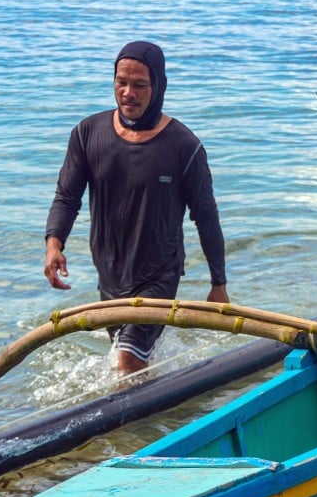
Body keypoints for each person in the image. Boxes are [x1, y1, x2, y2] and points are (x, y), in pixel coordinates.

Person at [44, 41, 229, 374]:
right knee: (129, 359)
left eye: (140, 84)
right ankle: (154, 409)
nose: (128, 92)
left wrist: (218, 284)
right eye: (121, 82)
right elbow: (66, 197)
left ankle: (124, 426)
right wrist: (54, 245)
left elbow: (206, 216)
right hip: (110, 275)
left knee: (127, 362)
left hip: (159, 274)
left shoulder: (184, 147)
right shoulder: (88, 133)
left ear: (158, 86)